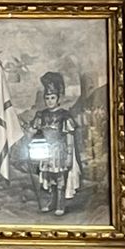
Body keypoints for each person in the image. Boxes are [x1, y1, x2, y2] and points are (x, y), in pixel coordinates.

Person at [22, 69, 80, 216]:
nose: (49, 101)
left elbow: (69, 136)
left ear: (58, 98)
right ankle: (52, 202)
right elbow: (32, 131)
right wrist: (25, 134)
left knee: (60, 178)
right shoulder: (41, 115)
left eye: (52, 98)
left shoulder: (64, 115)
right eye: (47, 98)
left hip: (60, 150)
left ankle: (60, 204)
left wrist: (69, 156)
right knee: (49, 177)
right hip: (45, 150)